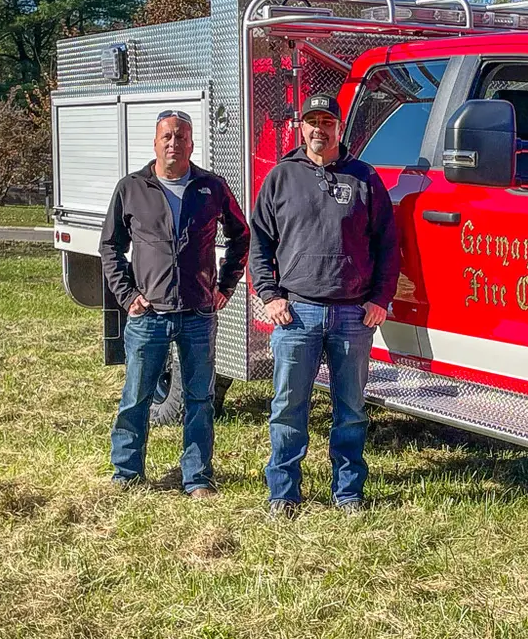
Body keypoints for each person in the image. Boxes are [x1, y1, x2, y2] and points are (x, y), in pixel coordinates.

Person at [249, 93, 398, 518]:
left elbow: (388, 244)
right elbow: (259, 242)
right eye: (312, 121)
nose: (320, 129)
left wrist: (380, 299)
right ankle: (283, 492)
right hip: (297, 313)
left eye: (327, 122)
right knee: (287, 408)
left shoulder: (364, 178)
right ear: (302, 127)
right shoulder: (281, 176)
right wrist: (270, 294)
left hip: (353, 315)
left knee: (350, 411)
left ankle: (348, 492)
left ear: (339, 127)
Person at [99, 109, 250, 498]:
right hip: (149, 315)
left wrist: (226, 286)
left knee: (200, 399)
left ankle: (197, 477)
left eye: (181, 137)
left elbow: (241, 235)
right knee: (136, 396)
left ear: (191, 144)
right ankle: (127, 473)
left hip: (199, 314)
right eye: (166, 137)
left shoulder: (211, 187)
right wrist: (128, 295)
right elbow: (111, 247)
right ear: (155, 143)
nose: (173, 143)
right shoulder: (132, 188)